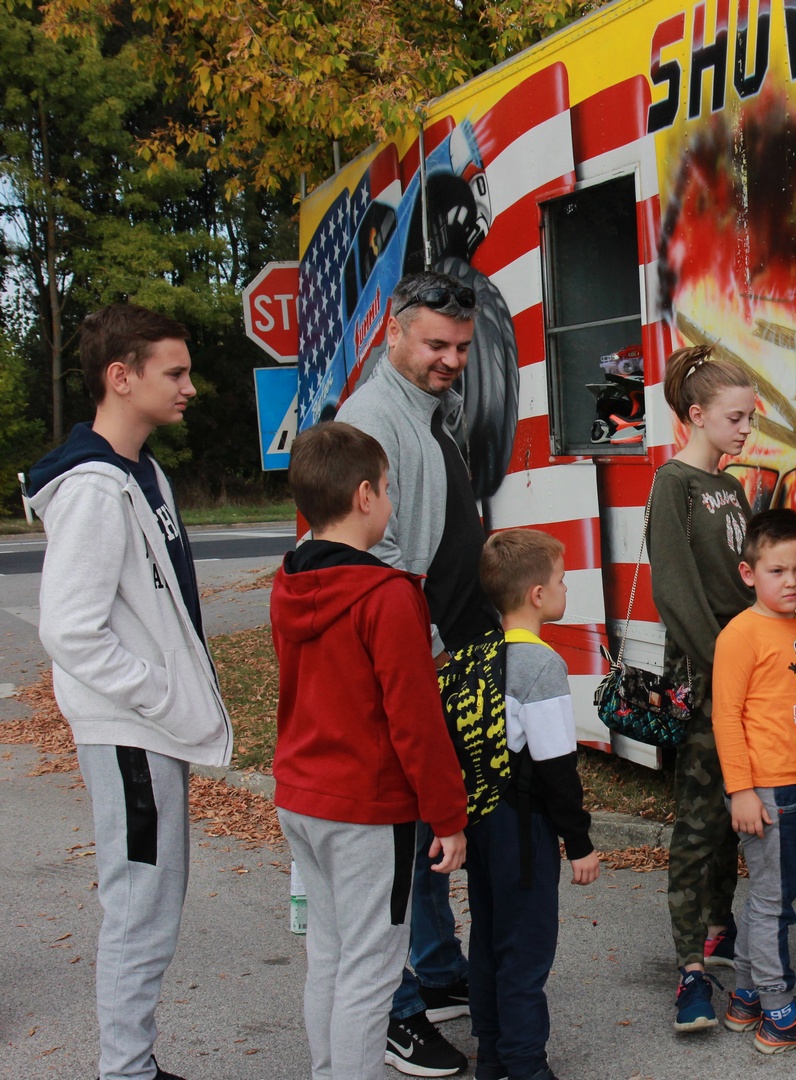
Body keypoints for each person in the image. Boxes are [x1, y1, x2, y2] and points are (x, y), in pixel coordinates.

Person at [26, 304, 232, 1080]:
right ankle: (125, 1071)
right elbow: (70, 630)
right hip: (130, 734)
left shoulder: (143, 472)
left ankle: (131, 1065)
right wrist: (160, 695)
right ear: (121, 377)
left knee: (150, 900)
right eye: (174, 373)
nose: (189, 387)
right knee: (139, 905)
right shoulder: (94, 489)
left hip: (145, 729)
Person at [270, 421, 469, 1079]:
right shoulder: (388, 596)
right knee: (370, 968)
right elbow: (416, 721)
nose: (389, 499)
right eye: (387, 488)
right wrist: (447, 816)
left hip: (301, 796)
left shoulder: (289, 582)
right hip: (365, 808)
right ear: (364, 496)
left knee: (330, 957)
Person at [337, 270, 495, 1076]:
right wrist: (421, 653)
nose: (451, 360)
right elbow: (377, 556)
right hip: (411, 659)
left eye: (461, 347)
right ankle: (397, 1014)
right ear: (393, 332)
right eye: (436, 344)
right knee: (399, 845)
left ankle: (435, 971)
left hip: (445, 649)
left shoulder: (427, 408)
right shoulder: (371, 419)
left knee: (428, 828)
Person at [452, 527, 602, 1080]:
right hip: (523, 830)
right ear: (537, 595)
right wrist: (579, 842)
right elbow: (557, 769)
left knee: (490, 941)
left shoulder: (477, 655)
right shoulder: (542, 665)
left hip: (481, 822)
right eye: (561, 580)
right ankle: (525, 1064)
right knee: (527, 949)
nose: (565, 588)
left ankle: (492, 1056)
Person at [648, 343, 758, 1031]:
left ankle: (719, 929)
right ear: (696, 415)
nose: (746, 429)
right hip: (704, 673)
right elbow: (675, 590)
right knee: (696, 822)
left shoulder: (732, 486)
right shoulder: (674, 484)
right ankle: (689, 970)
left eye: (750, 418)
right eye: (735, 418)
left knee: (730, 814)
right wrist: (724, 667)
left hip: (745, 670)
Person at [711, 509, 796, 1053]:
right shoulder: (741, 634)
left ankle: (745, 999)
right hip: (765, 793)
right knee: (773, 905)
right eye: (777, 571)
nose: (791, 582)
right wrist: (741, 790)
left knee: (767, 897)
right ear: (748, 573)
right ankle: (780, 1013)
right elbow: (726, 717)